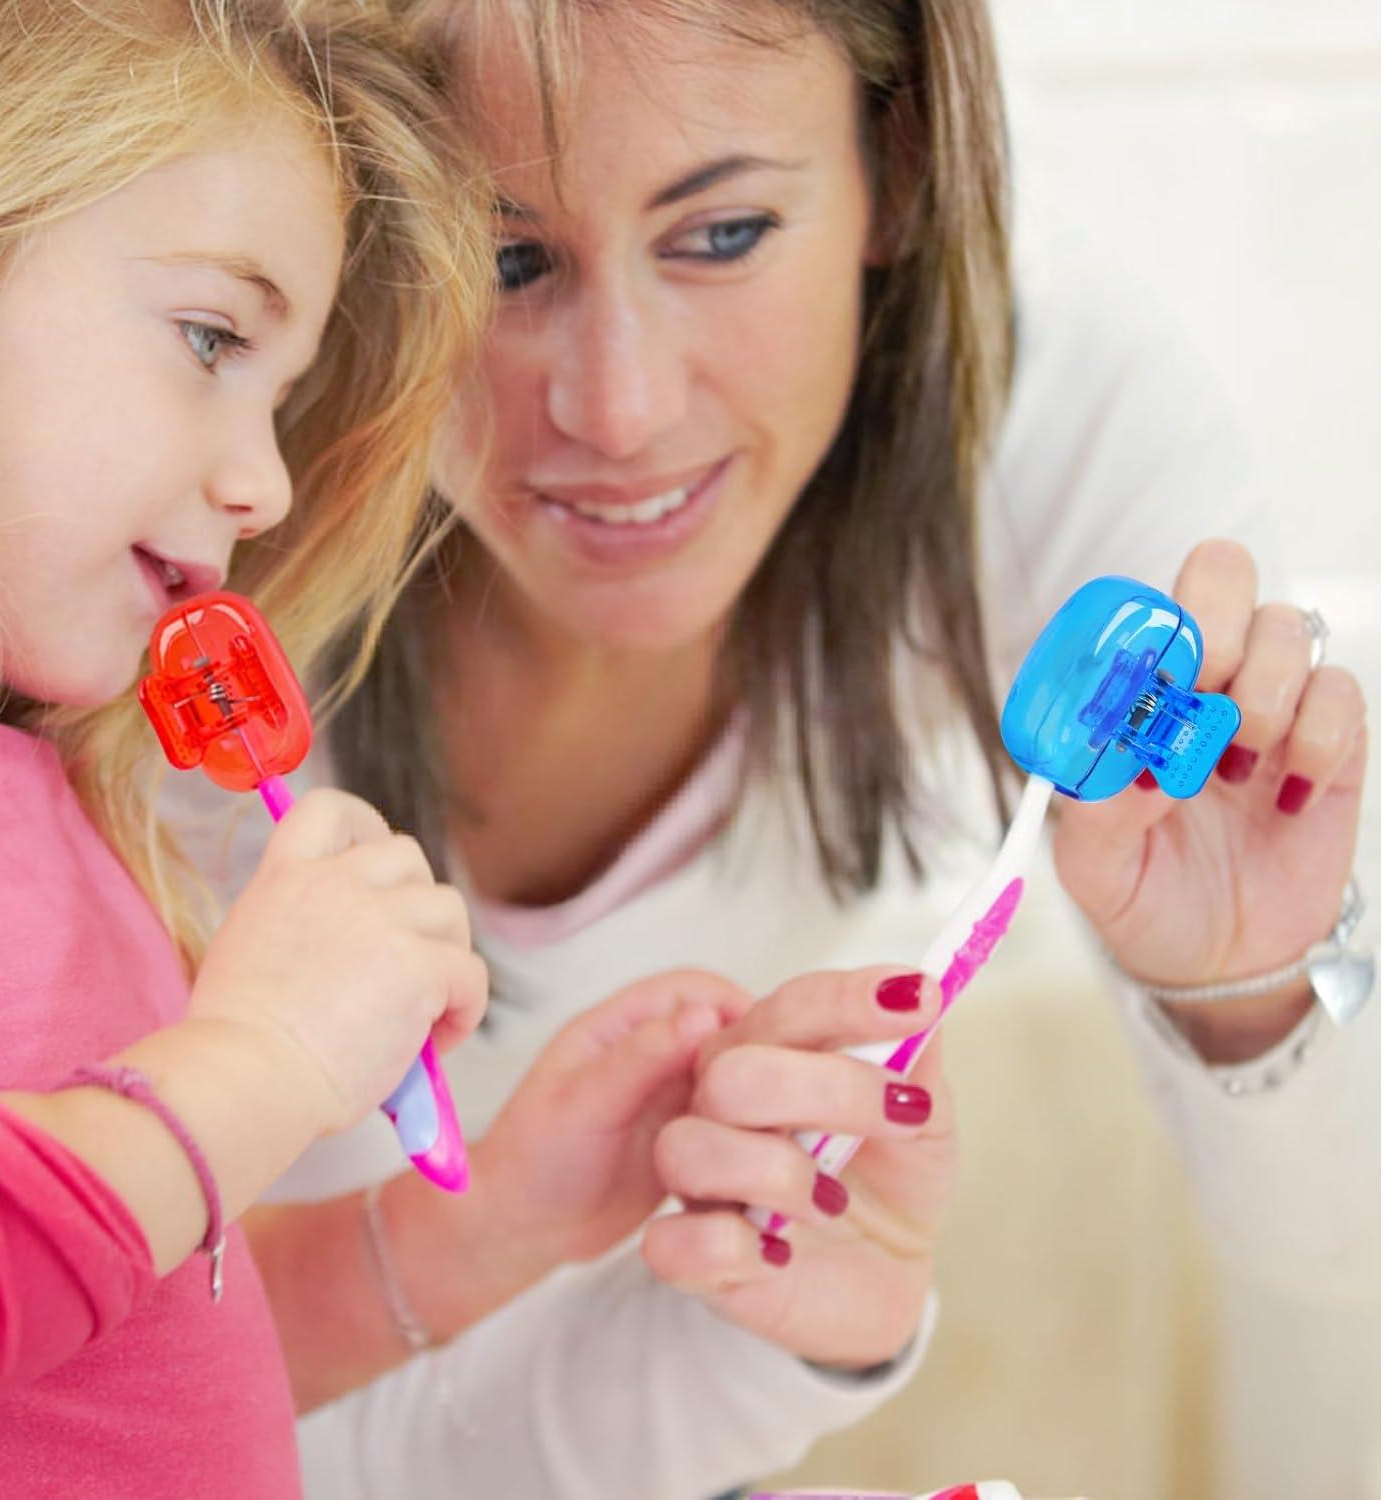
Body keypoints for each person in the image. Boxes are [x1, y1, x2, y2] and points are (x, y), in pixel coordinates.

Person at [175, 2, 1376, 1496]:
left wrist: (1248, 986)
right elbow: (70, 1419)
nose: (619, 407)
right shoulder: (159, 550)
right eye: (502, 262)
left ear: (900, 160)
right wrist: (731, 1374)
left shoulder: (1040, 401)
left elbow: (1348, 1244)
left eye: (724, 234)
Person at [0, 2, 501, 1492]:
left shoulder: (39, 798)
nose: (267, 484)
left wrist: (515, 1214)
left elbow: (108, 1329)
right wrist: (262, 1056)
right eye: (211, 336)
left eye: (279, 397)